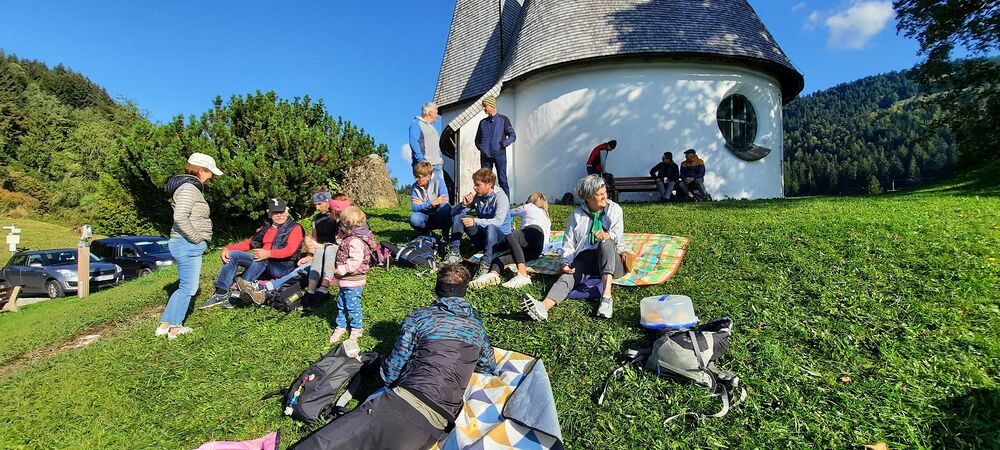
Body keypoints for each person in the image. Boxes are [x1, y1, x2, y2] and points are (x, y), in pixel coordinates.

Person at [292, 264, 497, 450]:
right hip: (436, 426)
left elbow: (391, 373)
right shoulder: (477, 328)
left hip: (401, 404)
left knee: (319, 445)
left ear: (438, 288)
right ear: (464, 291)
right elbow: (488, 365)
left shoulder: (420, 318)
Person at [520, 175, 626, 321]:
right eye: (600, 194)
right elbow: (569, 243)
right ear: (588, 197)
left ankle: (606, 299)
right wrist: (565, 262)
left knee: (605, 242)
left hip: (611, 260)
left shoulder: (614, 210)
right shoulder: (577, 215)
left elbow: (617, 234)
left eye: (605, 192)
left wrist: (607, 235)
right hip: (586, 258)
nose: (605, 197)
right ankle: (543, 307)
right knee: (568, 275)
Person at [235, 194, 350, 307]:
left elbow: (339, 249)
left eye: (320, 204)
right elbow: (251, 242)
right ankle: (256, 290)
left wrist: (317, 247)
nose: (317, 208)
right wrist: (310, 255)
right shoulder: (324, 220)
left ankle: (265, 289)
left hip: (337, 260)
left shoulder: (347, 224)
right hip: (322, 255)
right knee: (304, 267)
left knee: (302, 271)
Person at [157, 153, 222, 339]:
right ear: (201, 170)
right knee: (189, 288)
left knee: (183, 286)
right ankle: (176, 329)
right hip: (187, 243)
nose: (212, 177)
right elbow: (180, 216)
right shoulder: (189, 188)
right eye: (210, 172)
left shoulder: (189, 188)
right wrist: (197, 239)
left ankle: (164, 325)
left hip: (184, 243)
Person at [199, 198, 304, 309]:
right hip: (264, 262)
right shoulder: (266, 227)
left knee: (261, 257)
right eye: (275, 212)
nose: (279, 215)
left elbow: (290, 250)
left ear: (286, 212)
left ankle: (241, 291)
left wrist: (268, 254)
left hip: (283, 266)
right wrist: (227, 248)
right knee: (233, 255)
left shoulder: (295, 228)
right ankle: (221, 293)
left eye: (281, 212)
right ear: (269, 214)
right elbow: (249, 243)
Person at [469, 192, 551, 289]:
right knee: (500, 259)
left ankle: (523, 275)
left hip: (532, 231)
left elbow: (508, 212)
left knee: (510, 237)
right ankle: (493, 274)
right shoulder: (547, 217)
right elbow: (546, 240)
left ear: (530, 201)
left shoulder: (529, 206)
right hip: (537, 249)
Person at [443, 168, 512, 281]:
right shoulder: (478, 197)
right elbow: (452, 214)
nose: (474, 188)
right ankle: (454, 253)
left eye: (478, 185)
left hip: (500, 241)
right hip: (484, 239)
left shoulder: (501, 197)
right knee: (459, 217)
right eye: (474, 184)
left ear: (489, 184)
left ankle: (485, 263)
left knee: (491, 227)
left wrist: (475, 221)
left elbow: (498, 222)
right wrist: (463, 205)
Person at [328, 206, 380, 343]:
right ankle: (341, 326)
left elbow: (355, 260)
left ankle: (357, 328)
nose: (340, 226)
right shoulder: (350, 238)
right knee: (341, 303)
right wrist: (340, 240)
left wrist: (341, 270)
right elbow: (345, 249)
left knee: (352, 306)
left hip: (354, 279)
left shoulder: (355, 241)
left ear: (347, 224)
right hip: (346, 280)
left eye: (341, 224)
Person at [475, 95, 516, 198]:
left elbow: (512, 135)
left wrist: (503, 144)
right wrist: (482, 148)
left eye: (485, 106)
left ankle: (505, 204)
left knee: (502, 180)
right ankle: (486, 204)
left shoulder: (503, 119)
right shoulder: (482, 123)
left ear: (492, 105)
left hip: (499, 155)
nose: (484, 108)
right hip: (485, 157)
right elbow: (477, 140)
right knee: (484, 182)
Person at [408, 161, 451, 240]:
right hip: (425, 216)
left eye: (419, 177)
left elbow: (444, 200)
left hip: (439, 215)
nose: (417, 179)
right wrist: (431, 203)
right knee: (414, 219)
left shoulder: (439, 181)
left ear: (428, 176)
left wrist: (422, 204)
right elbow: (414, 207)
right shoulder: (415, 187)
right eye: (415, 176)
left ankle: (445, 235)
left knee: (445, 208)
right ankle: (425, 233)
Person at [409, 102, 444, 180]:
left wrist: (440, 158)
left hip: (437, 165)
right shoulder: (416, 124)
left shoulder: (434, 129)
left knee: (440, 187)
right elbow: (413, 142)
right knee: (425, 187)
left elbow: (437, 146)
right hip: (425, 166)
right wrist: (421, 161)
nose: (437, 116)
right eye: (436, 113)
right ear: (430, 113)